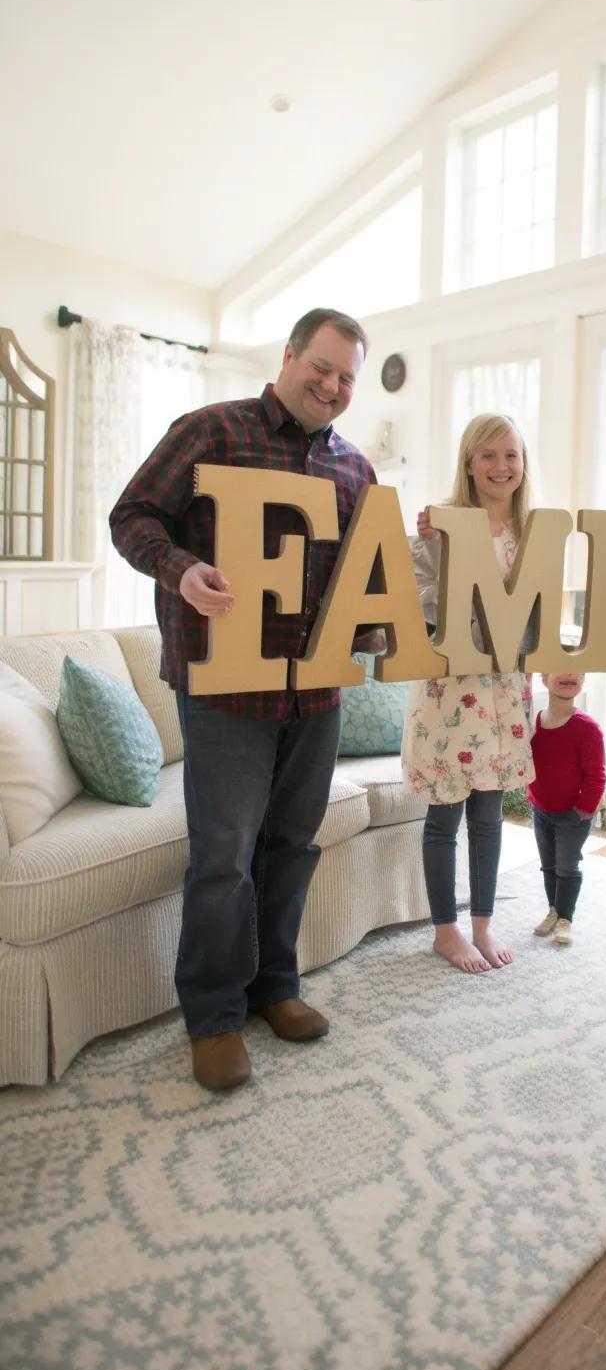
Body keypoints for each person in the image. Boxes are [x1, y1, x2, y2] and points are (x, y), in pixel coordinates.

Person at [109, 307, 376, 1091]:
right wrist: (182, 569)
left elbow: (357, 590)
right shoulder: (210, 431)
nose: (330, 385)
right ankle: (215, 1015)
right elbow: (132, 516)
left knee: (293, 845)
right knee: (223, 858)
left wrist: (385, 617)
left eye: (345, 379)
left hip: (315, 692)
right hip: (225, 693)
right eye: (320, 367)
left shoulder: (356, 471)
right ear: (289, 355)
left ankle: (275, 988)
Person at [402, 414, 535, 974]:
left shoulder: (533, 534)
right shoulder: (442, 526)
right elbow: (414, 601)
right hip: (452, 693)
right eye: (488, 456)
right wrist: (439, 552)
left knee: (488, 814)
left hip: (504, 690)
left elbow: (538, 614)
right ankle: (446, 929)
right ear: (468, 463)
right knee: (444, 816)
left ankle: (482, 921)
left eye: (511, 455)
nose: (500, 466)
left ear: (523, 464)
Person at [528, 671, 606, 946]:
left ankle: (565, 919)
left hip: (573, 814)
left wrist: (584, 809)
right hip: (541, 810)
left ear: (584, 679)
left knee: (566, 866)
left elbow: (597, 775)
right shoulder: (535, 722)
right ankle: (554, 910)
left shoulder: (587, 727)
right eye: (559, 667)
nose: (569, 674)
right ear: (544, 677)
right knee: (548, 865)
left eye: (576, 670)